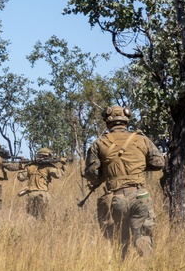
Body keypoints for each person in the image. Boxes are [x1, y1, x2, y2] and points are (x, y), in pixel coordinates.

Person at [83, 105, 165, 258]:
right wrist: (138, 166)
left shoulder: (98, 144)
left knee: (120, 242)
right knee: (143, 238)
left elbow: (91, 174)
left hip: (116, 199)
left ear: (107, 124)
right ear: (126, 122)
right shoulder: (142, 139)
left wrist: (106, 172)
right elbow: (159, 163)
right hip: (140, 196)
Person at [16, 147, 63, 220]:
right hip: (42, 193)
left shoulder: (30, 166)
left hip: (31, 194)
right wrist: (64, 165)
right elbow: (58, 174)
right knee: (43, 216)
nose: (42, 158)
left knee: (31, 216)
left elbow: (21, 177)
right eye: (41, 156)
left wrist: (22, 166)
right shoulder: (48, 167)